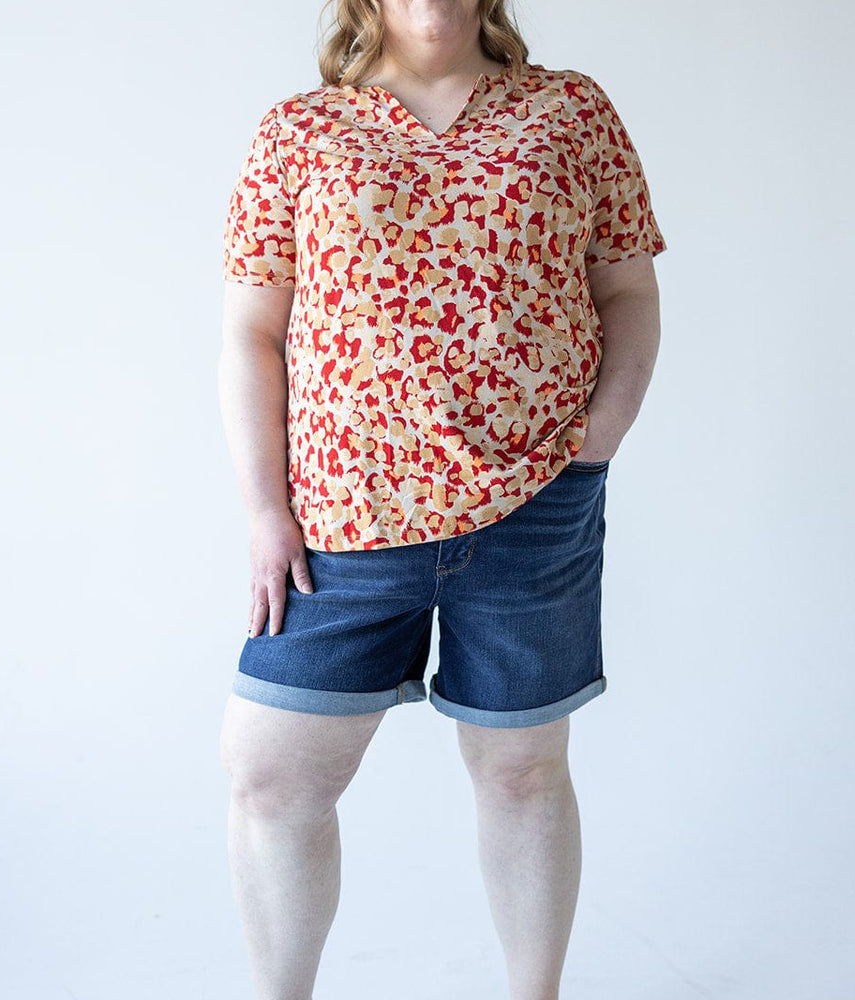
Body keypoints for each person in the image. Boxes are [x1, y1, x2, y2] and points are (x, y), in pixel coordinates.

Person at [217, 1, 666, 996]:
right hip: (340, 517)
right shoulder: (301, 131)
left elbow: (627, 293)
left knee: (521, 774)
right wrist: (264, 508)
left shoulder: (569, 111)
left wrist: (596, 444)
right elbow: (253, 331)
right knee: (272, 777)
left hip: (533, 507)